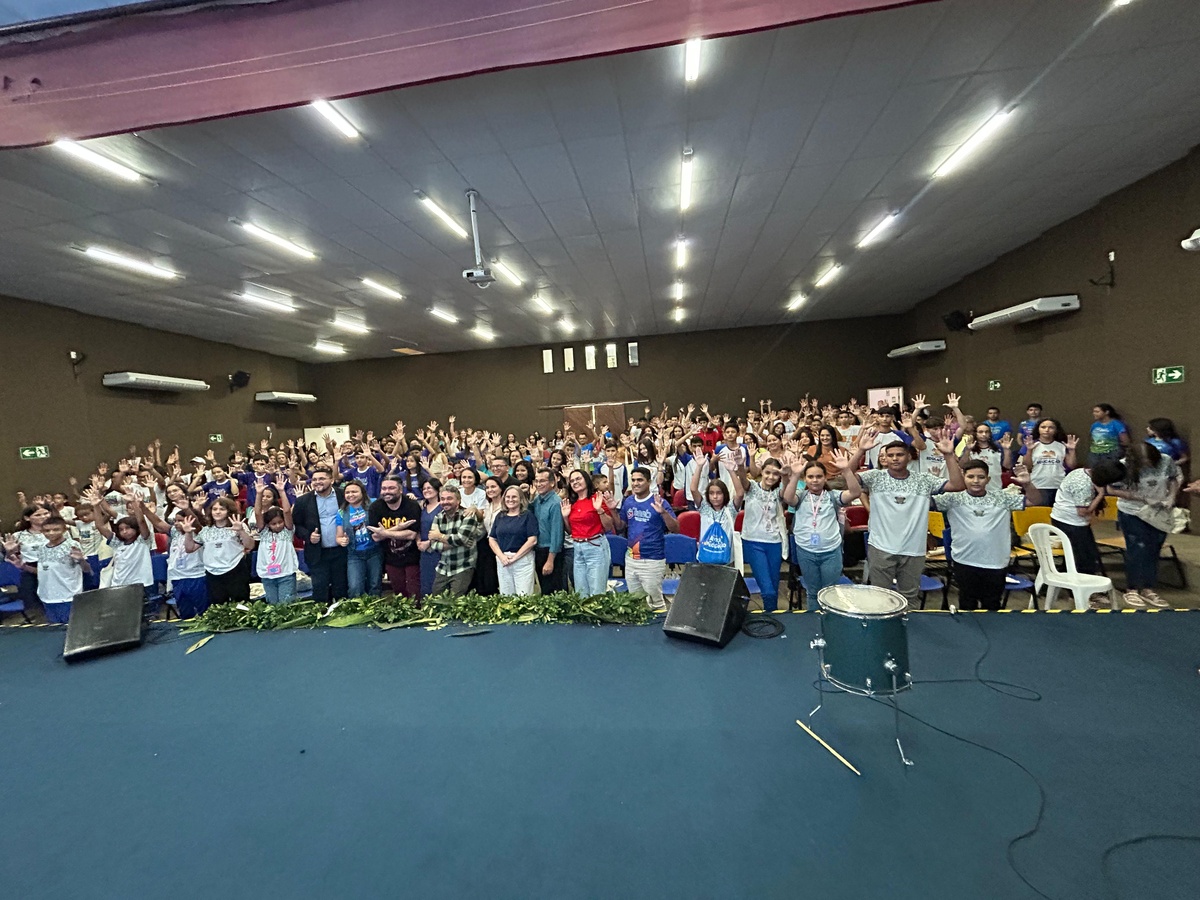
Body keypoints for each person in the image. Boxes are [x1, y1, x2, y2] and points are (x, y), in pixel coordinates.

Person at [860, 432, 965, 607]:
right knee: (879, 598)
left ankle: (908, 625)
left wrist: (948, 455)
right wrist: (860, 451)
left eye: (899, 455)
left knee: (910, 599)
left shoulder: (924, 480)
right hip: (881, 547)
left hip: (913, 549)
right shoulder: (875, 477)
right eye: (890, 455)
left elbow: (958, 485)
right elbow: (849, 478)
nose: (895, 458)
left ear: (909, 457)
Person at [934, 460, 1034, 610]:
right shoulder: (952, 499)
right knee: (967, 604)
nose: (976, 481)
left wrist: (1027, 484)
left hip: (996, 562)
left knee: (992, 604)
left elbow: (1035, 500)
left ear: (988, 479)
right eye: (970, 476)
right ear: (963, 477)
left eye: (981, 477)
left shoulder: (1003, 498)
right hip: (964, 561)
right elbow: (924, 503)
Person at [781, 451, 862, 610]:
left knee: (830, 593)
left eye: (819, 476)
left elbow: (855, 493)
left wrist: (846, 470)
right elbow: (788, 499)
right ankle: (814, 622)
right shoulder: (801, 496)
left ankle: (829, 621)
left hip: (830, 552)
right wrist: (795, 475)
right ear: (805, 479)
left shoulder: (832, 496)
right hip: (806, 551)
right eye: (810, 477)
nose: (815, 480)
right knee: (813, 592)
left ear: (825, 478)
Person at [1106, 443, 1179, 608]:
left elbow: (1173, 479)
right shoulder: (1123, 466)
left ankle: (1148, 588)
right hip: (1133, 512)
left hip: (1158, 512)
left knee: (1154, 549)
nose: (1147, 464)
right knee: (1138, 549)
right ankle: (1132, 589)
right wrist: (1143, 498)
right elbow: (1111, 489)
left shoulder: (1166, 460)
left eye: (1150, 460)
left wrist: (1171, 497)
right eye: (1144, 461)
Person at [4, 515, 91, 624]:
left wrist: (81, 560)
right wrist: (23, 566)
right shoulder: (42, 547)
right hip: (47, 596)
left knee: (71, 627)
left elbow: (87, 570)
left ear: (64, 530)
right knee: (54, 628)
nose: (51, 533)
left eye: (56, 529)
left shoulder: (72, 545)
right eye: (47, 530)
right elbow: (42, 572)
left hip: (68, 596)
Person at [616, 467, 679, 612]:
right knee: (635, 603)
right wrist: (613, 510)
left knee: (656, 603)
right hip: (631, 559)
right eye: (633, 480)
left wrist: (663, 513)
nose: (635, 483)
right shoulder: (628, 502)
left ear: (649, 482)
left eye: (640, 480)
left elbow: (676, 528)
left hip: (652, 559)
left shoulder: (659, 502)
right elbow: (620, 527)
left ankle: (659, 625)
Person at [1049, 461, 1126, 578]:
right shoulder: (1083, 485)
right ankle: (1083, 583)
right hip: (1071, 522)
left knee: (1074, 555)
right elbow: (1083, 512)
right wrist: (1100, 494)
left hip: (1062, 517)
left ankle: (1068, 578)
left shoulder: (1080, 471)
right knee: (1085, 558)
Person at [736, 455, 786, 612]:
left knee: (774, 587)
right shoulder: (752, 487)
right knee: (767, 590)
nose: (771, 477)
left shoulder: (778, 492)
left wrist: (786, 474)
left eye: (775, 474)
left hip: (774, 542)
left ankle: (772, 617)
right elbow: (743, 480)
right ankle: (770, 616)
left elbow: (787, 490)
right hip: (753, 542)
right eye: (768, 472)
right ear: (762, 472)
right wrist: (740, 466)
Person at [291, 465, 348, 604]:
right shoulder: (303, 501)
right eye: (314, 479)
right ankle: (322, 614)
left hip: (341, 550)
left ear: (332, 480)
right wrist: (308, 536)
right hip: (317, 553)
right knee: (320, 589)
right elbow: (296, 525)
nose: (317, 482)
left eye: (322, 478)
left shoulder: (343, 496)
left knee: (341, 588)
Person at [185, 497, 255, 605]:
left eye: (222, 509)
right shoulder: (206, 530)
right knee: (218, 606)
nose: (217, 512)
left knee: (241, 605)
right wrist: (188, 533)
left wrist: (241, 531)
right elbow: (190, 548)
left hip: (235, 569)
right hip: (212, 572)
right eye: (215, 509)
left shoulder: (238, 526)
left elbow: (250, 545)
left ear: (229, 511)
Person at [561, 468, 615, 596]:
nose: (575, 482)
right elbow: (571, 531)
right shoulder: (571, 502)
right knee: (581, 592)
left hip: (595, 546)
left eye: (578, 479)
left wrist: (599, 510)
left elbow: (608, 526)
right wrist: (565, 517)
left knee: (597, 592)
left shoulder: (597, 498)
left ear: (586, 480)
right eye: (572, 480)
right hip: (577, 547)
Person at [368, 475, 422, 599]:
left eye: (391, 488)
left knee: (414, 592)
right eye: (384, 488)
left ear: (400, 490)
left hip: (412, 556)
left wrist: (384, 533)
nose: (387, 491)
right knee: (399, 592)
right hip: (390, 558)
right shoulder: (376, 507)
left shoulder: (411, 505)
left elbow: (411, 534)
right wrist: (398, 528)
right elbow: (375, 537)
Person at [428, 483, 486, 596]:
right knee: (435, 599)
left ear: (458, 500)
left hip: (463, 566)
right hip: (443, 566)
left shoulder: (468, 515)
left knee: (455, 601)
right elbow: (433, 544)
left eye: (449, 498)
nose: (445, 501)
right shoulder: (438, 517)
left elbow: (461, 539)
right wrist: (457, 542)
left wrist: (439, 536)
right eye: (442, 499)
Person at [689, 451, 744, 566]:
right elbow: (693, 489)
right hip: (705, 559)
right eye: (711, 493)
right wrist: (699, 466)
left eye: (719, 493)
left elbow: (740, 494)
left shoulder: (730, 509)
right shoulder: (704, 508)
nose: (715, 496)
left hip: (726, 560)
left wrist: (731, 471)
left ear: (725, 494)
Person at [254, 475, 298, 604]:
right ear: (268, 524)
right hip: (267, 576)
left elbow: (287, 512)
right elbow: (257, 513)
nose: (278, 525)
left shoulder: (287, 532)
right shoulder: (264, 533)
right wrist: (259, 494)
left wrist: (281, 491)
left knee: (286, 605)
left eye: (280, 522)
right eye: (274, 524)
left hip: (286, 574)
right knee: (272, 605)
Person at [488, 485, 539, 596]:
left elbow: (532, 540)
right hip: (503, 561)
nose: (510, 500)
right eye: (508, 497)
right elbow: (492, 538)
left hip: (522, 561)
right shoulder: (500, 516)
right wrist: (501, 556)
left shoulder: (528, 516)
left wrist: (515, 558)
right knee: (506, 596)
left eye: (514, 497)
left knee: (523, 596)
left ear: (521, 499)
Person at [336, 480, 380, 597]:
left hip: (375, 552)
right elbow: (338, 537)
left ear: (362, 492)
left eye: (354, 491)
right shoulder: (341, 512)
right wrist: (341, 541)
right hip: (354, 554)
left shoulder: (374, 504)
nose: (350, 495)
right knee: (355, 587)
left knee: (375, 585)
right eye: (347, 492)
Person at [1024, 420, 1076, 507]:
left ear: (1056, 430)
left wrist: (1072, 450)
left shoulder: (1061, 446)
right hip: (1037, 485)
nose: (1047, 430)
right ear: (1038, 429)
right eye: (1043, 427)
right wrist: (1029, 450)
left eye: (1051, 427)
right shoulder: (1031, 444)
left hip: (1058, 485)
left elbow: (1072, 465)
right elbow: (1027, 467)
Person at [531, 468, 566, 594]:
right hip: (539, 549)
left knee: (554, 591)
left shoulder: (556, 503)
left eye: (542, 481)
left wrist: (550, 560)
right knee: (544, 590)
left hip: (551, 552)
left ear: (552, 483)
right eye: (536, 481)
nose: (538, 484)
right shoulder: (537, 500)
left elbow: (557, 534)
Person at [416, 478, 443, 598]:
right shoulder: (421, 507)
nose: (426, 490)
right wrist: (418, 541)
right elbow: (417, 527)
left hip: (439, 550)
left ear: (437, 490)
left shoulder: (442, 506)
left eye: (429, 488)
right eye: (424, 489)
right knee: (425, 583)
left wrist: (429, 542)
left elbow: (445, 529)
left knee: (437, 583)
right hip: (423, 551)